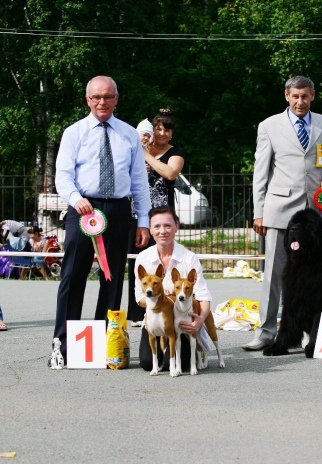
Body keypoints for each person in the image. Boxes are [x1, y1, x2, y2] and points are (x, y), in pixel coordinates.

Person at [50, 75, 151, 366]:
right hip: (84, 208)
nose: (101, 102)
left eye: (107, 97)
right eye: (96, 97)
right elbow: (63, 174)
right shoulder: (74, 132)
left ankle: (107, 344)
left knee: (113, 278)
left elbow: (138, 181)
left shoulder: (129, 134)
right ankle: (63, 346)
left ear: (116, 99)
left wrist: (143, 220)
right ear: (87, 100)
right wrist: (74, 197)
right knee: (72, 276)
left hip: (119, 209)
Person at [243, 75, 322, 351]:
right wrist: (259, 212)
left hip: (314, 214)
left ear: (313, 96)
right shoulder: (269, 126)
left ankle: (313, 332)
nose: (300, 102)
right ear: (287, 96)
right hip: (279, 211)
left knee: (316, 275)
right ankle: (266, 332)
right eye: (295, 96)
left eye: (305, 96)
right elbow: (260, 171)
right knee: (275, 274)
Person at [134, 207, 210, 371]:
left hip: (182, 321)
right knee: (147, 363)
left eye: (168, 226)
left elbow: (203, 296)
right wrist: (161, 300)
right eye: (157, 226)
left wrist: (199, 320)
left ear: (177, 226)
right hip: (155, 319)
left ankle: (198, 348)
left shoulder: (189, 258)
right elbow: (139, 298)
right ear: (150, 229)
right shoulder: (143, 258)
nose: (162, 231)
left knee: (174, 365)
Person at [128, 109, 185, 326]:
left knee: (159, 261)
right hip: (137, 213)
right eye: (157, 129)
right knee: (137, 262)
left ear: (171, 133)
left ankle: (163, 306)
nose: (161, 133)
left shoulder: (175, 152)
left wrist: (147, 156)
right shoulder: (140, 148)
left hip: (161, 217)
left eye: (166, 129)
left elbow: (170, 173)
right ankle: (136, 310)